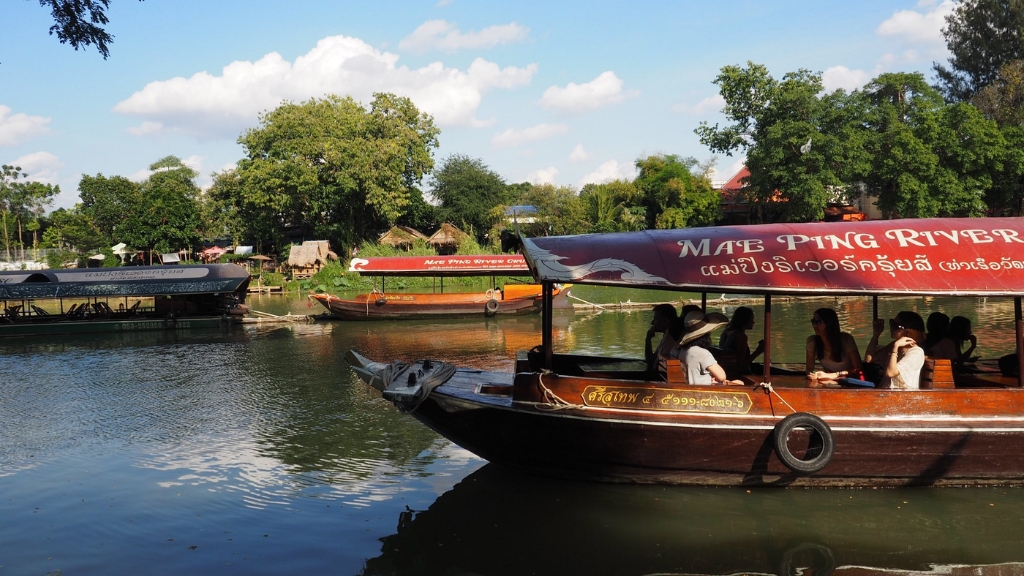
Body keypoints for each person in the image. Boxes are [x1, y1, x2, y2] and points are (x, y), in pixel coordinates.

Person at [675, 310, 745, 386]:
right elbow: (722, 376)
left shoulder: (684, 350)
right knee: (740, 383)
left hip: (694, 387)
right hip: (704, 391)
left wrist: (709, 378)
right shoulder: (702, 353)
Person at [865, 311, 926, 390]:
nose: (891, 327)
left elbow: (890, 372)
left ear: (908, 332)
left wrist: (895, 348)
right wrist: (876, 335)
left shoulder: (916, 352)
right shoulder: (895, 345)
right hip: (885, 393)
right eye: (892, 323)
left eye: (896, 326)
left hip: (902, 397)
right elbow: (869, 360)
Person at [805, 308, 862, 380]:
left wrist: (833, 375)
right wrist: (812, 375)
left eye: (818, 321)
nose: (814, 325)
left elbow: (858, 369)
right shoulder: (812, 342)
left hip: (849, 381)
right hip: (827, 382)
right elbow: (809, 369)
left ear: (829, 323)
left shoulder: (846, 340)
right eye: (813, 321)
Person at [719, 306, 764, 374]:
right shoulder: (741, 337)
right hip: (735, 374)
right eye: (751, 319)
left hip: (724, 370)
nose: (753, 322)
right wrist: (758, 351)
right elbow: (741, 365)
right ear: (745, 320)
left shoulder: (726, 332)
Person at [645, 304, 679, 372]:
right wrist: (648, 339)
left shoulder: (670, 337)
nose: (652, 323)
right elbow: (651, 360)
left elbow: (653, 365)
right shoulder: (667, 335)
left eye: (655, 319)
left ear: (665, 321)